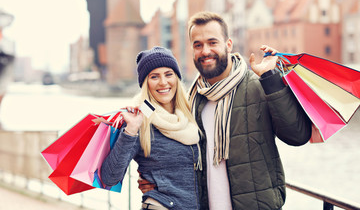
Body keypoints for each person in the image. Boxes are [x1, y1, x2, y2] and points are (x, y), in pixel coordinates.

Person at [138, 12, 312, 210]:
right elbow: (173, 153)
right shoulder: (190, 99)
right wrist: (153, 179)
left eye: (213, 42)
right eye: (198, 45)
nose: (205, 51)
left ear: (228, 45)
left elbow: (297, 136)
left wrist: (271, 79)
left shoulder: (259, 85)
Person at [100, 46, 201, 210]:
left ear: (176, 77)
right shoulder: (139, 121)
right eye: (154, 77)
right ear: (146, 83)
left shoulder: (191, 115)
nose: (163, 82)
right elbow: (109, 177)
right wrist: (130, 131)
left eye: (168, 74)